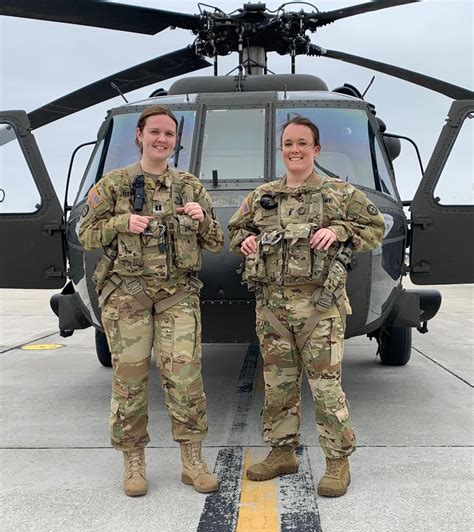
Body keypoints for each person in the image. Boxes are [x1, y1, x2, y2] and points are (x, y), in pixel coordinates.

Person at [228, 115, 384, 497]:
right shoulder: (264, 195)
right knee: (278, 386)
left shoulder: (339, 194)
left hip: (320, 308)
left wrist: (341, 230)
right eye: (288, 144)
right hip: (272, 311)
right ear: (281, 150)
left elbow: (376, 227)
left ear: (315, 149)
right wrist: (245, 242)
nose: (294, 150)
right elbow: (234, 231)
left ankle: (337, 463)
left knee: (326, 389)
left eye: (302, 143)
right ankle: (283, 453)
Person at [79, 105, 224, 497]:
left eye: (169, 134)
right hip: (128, 295)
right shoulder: (115, 185)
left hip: (177, 295)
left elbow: (216, 243)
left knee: (185, 379)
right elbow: (85, 233)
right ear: (139, 136)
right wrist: (121, 222)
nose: (162, 139)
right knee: (130, 380)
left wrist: (203, 219)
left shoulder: (191, 186)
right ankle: (133, 462)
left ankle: (192, 461)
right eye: (155, 132)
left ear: (176, 142)